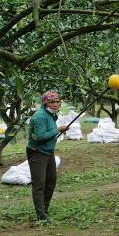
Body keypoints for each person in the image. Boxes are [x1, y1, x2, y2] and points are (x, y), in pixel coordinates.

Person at [27, 90, 69, 223]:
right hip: (37, 152)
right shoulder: (40, 116)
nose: (56, 104)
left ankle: (45, 208)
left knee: (51, 181)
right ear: (45, 103)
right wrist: (57, 130)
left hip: (48, 151)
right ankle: (41, 216)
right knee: (39, 184)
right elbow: (40, 137)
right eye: (52, 102)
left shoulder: (51, 115)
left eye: (57, 102)